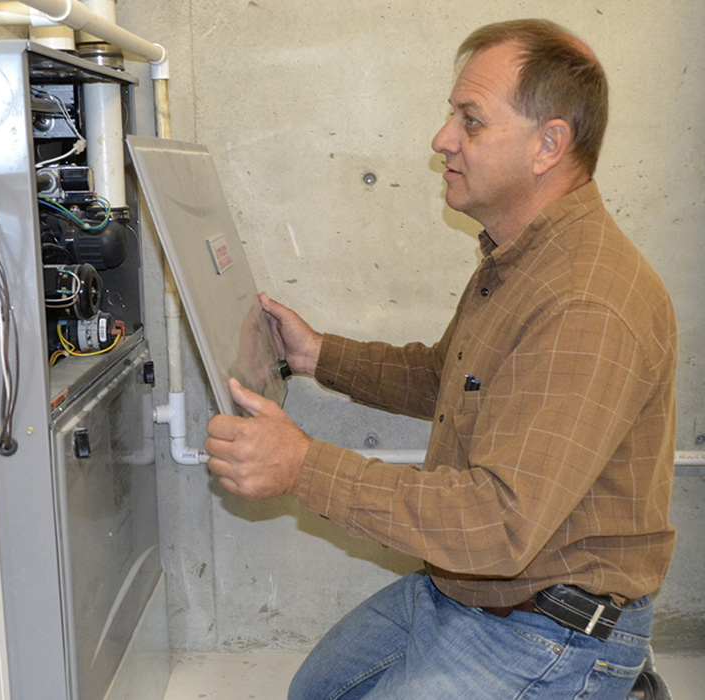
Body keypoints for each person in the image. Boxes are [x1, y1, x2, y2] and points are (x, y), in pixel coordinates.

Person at [205, 18, 677, 700]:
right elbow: (449, 376)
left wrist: (304, 466)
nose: (442, 139)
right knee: (314, 693)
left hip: (554, 633)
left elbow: (500, 523)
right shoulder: (520, 258)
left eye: (471, 120)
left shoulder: (587, 301)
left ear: (549, 144)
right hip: (466, 593)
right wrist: (317, 355)